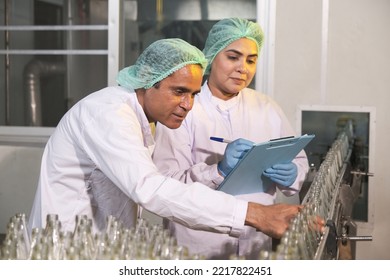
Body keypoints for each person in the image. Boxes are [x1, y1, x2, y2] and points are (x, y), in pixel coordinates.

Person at [28, 38, 302, 246]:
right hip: (61, 248)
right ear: (148, 82)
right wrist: (255, 214)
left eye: (194, 94)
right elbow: (151, 190)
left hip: (100, 246)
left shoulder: (142, 118)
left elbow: (159, 186)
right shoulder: (108, 114)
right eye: (179, 91)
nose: (188, 105)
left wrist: (218, 174)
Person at [152, 19, 310, 259]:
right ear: (212, 57)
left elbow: (298, 160)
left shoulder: (266, 107)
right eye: (233, 57)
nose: (242, 68)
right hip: (197, 246)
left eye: (251, 60)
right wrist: (219, 170)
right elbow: (167, 185)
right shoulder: (184, 109)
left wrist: (292, 174)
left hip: (256, 242)